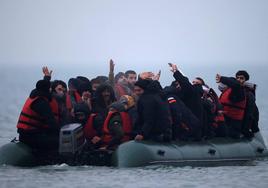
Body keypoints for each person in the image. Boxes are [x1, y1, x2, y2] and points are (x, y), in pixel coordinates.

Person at [17, 79, 60, 150]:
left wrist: (47, 78)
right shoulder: (41, 102)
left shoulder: (34, 96)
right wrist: (61, 132)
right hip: (30, 136)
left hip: (25, 134)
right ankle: (51, 159)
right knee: (57, 141)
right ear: (47, 89)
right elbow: (51, 122)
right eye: (50, 88)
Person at [168, 63, 203, 140]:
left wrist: (176, 72)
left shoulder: (193, 91)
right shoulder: (184, 93)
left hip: (192, 128)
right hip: (187, 127)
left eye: (196, 83)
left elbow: (186, 83)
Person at [216, 72, 246, 138]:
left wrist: (222, 78)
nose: (238, 80)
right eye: (237, 78)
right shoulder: (226, 91)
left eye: (241, 78)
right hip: (224, 119)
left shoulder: (238, 92)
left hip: (233, 122)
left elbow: (236, 85)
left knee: (228, 134)